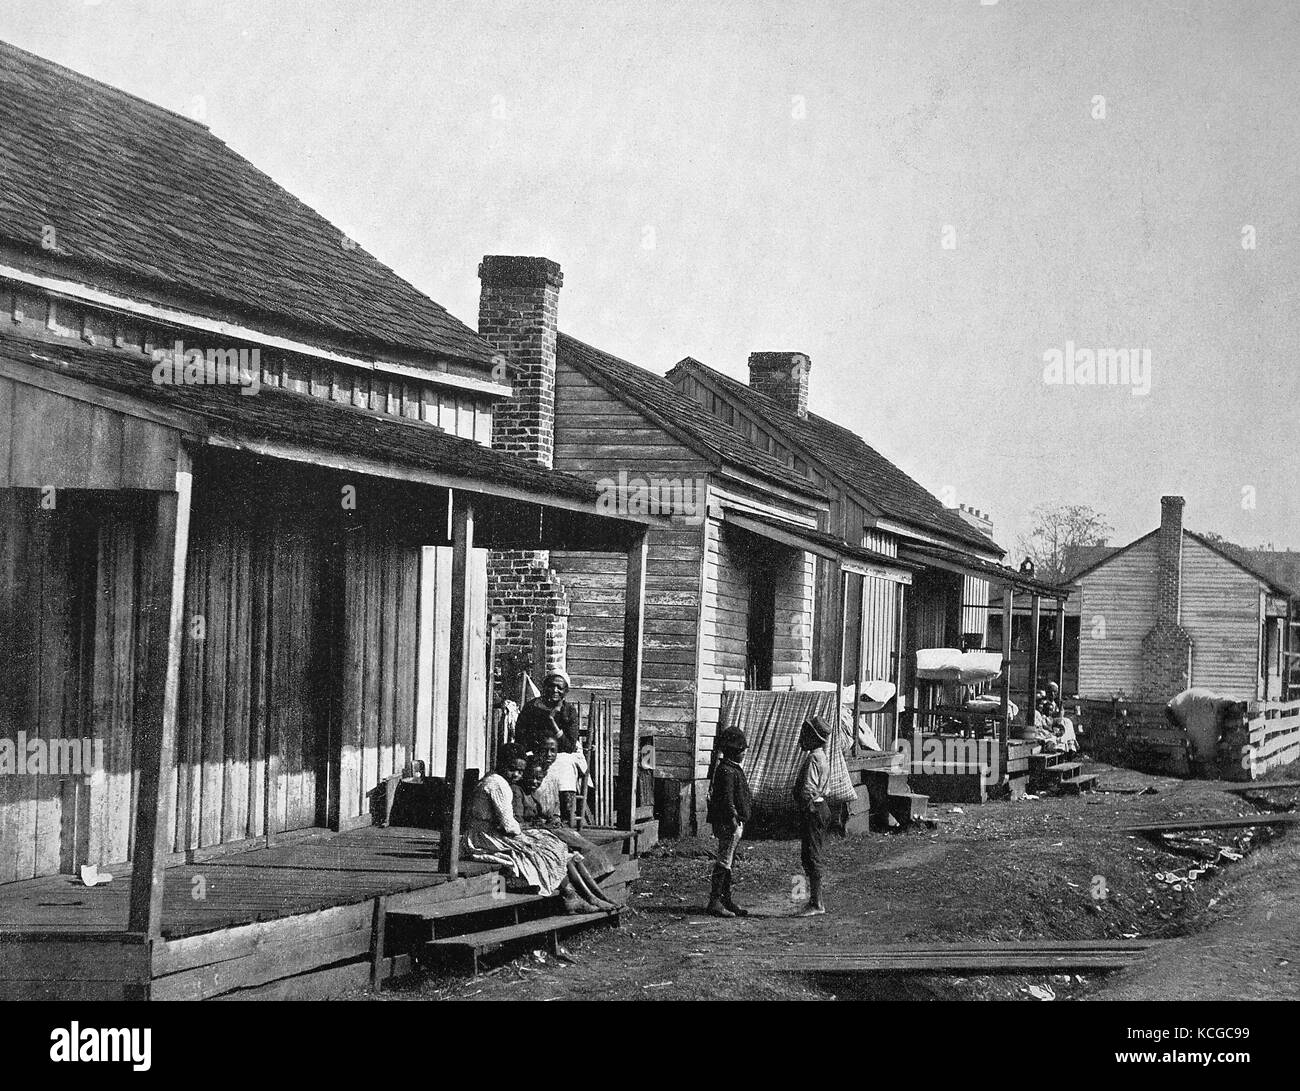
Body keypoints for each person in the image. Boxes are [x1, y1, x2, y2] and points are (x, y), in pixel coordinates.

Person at [463, 744, 614, 914]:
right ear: (501, 764)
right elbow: (508, 825)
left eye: (520, 771)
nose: (517, 775)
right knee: (544, 850)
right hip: (485, 837)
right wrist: (530, 833)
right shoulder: (497, 784)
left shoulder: (496, 779)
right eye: (512, 769)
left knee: (553, 846)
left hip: (491, 832)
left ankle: (590, 896)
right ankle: (573, 897)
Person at [706, 725, 752, 918]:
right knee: (724, 860)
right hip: (729, 823)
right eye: (742, 751)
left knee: (728, 860)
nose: (744, 754)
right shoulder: (727, 771)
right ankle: (715, 901)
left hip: (734, 822)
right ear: (735, 752)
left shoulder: (730, 769)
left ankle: (726, 899)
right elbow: (727, 800)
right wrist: (733, 817)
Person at [793, 715, 832, 916]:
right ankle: (814, 900)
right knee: (811, 853)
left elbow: (808, 789)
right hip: (820, 808)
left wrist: (804, 808)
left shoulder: (813, 758)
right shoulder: (822, 757)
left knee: (812, 854)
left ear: (813, 738)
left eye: (805, 734)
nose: (801, 737)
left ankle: (817, 903)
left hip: (813, 809)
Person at [515, 670, 581, 755]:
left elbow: (569, 747)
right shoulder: (531, 707)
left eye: (559, 687)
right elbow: (520, 738)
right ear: (544, 687)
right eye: (551, 686)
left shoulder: (569, 711)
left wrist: (552, 721)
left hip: (562, 755)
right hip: (535, 754)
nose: (554, 690)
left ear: (566, 691)